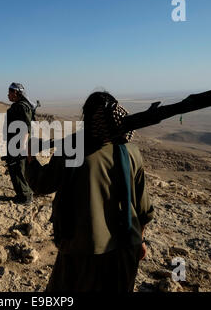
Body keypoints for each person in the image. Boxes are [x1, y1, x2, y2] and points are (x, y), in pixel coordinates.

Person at [25, 91, 155, 292]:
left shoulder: (72, 150)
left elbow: (42, 185)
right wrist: (141, 241)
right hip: (127, 249)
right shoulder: (131, 151)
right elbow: (143, 209)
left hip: (83, 252)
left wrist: (31, 160)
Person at [5, 82, 36, 205]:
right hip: (14, 142)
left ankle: (25, 196)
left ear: (16, 93)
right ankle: (22, 194)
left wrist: (22, 145)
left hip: (19, 144)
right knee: (15, 168)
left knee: (18, 169)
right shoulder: (18, 105)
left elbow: (26, 127)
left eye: (10, 92)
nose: (8, 95)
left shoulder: (22, 106)